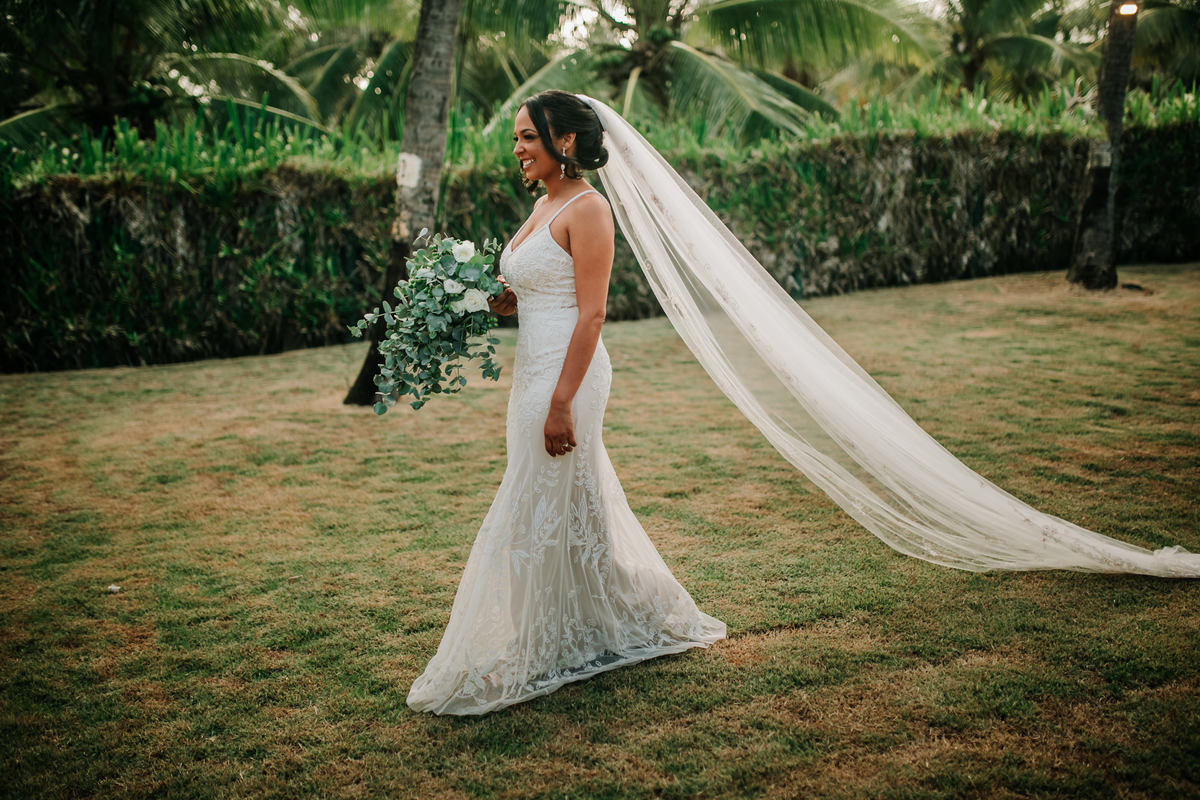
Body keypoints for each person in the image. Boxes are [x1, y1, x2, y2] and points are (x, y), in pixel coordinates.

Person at [406, 91, 726, 716]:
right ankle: (591, 623)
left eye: (529, 137)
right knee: (570, 495)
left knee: (534, 494)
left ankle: (540, 642)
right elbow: (537, 287)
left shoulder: (589, 209)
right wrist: (504, 301)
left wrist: (561, 403)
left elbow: (593, 312)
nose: (519, 149)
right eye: (519, 138)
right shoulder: (544, 204)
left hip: (567, 376)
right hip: (534, 368)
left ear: (567, 142)